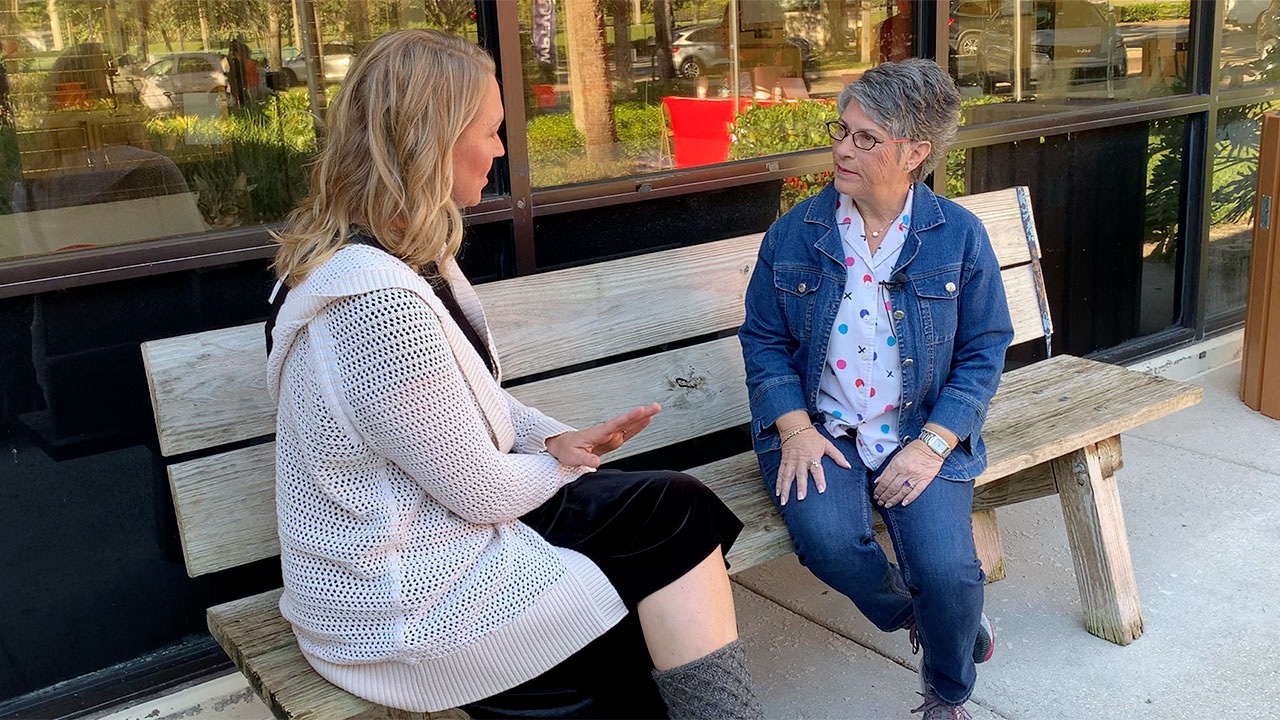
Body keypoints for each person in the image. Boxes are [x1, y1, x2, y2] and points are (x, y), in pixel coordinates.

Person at [265, 29, 761, 720]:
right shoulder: (374, 308)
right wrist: (570, 461)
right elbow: (481, 490)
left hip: (437, 536)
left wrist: (557, 440)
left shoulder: (404, 255)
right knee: (631, 629)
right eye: (492, 131)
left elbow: (474, 401)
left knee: (672, 508)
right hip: (403, 607)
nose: (501, 151)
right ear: (429, 138)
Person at [738, 58, 1013, 720]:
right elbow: (763, 340)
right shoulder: (798, 233)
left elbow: (984, 348)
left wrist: (933, 444)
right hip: (821, 429)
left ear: (914, 152)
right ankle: (929, 617)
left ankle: (945, 692)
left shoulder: (958, 235)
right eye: (842, 130)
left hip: (919, 429)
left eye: (865, 138)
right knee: (831, 545)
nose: (842, 148)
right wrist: (794, 428)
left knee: (950, 571)